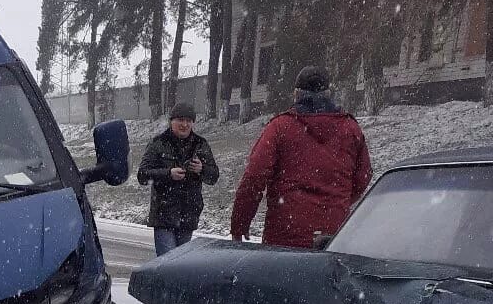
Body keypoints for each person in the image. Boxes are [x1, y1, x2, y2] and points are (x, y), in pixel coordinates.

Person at [230, 65, 372, 248]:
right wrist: (338, 201)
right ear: (329, 93)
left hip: (285, 233)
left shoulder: (280, 127)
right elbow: (364, 176)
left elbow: (254, 177)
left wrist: (240, 223)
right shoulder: (350, 128)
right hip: (333, 235)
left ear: (296, 94)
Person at [136, 102, 220, 256]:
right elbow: (142, 175)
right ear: (171, 121)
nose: (185, 124)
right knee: (167, 264)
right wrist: (168, 174)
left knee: (180, 267)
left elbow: (213, 176)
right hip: (164, 215)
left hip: (188, 215)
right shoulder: (159, 143)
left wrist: (202, 169)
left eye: (189, 120)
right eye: (180, 120)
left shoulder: (200, 144)